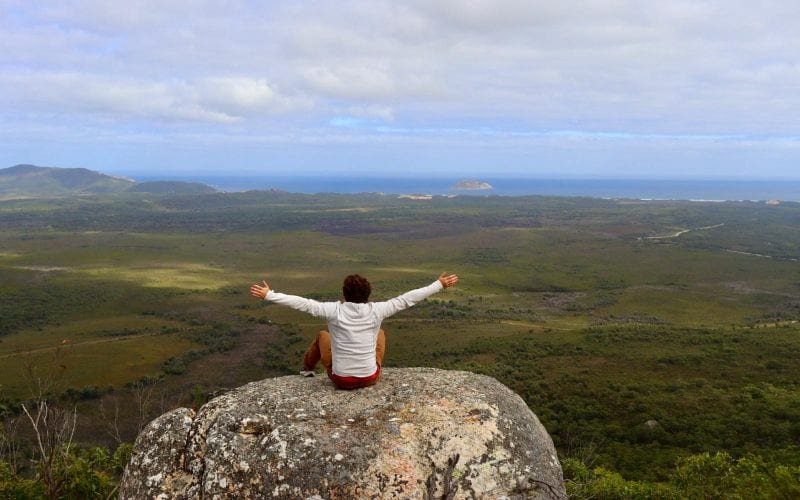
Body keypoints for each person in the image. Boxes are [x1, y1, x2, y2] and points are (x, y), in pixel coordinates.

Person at [249, 272, 459, 389]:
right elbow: (407, 298)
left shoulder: (334, 310)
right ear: (368, 294)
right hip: (370, 378)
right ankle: (368, 365)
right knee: (381, 334)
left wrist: (269, 295)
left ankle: (307, 369)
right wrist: (438, 284)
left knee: (323, 335)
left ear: (344, 293)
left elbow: (303, 304)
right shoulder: (378, 310)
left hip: (340, 380)